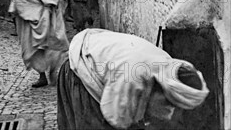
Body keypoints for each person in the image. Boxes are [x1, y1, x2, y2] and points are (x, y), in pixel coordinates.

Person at [57, 28, 209, 130]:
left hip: (110, 60)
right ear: (159, 89)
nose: (170, 113)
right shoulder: (131, 78)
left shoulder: (168, 68)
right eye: (169, 105)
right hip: (82, 70)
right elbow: (116, 119)